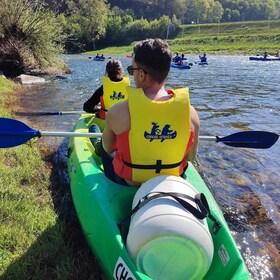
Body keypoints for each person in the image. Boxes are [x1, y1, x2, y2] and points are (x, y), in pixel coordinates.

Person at [98, 38, 200, 187]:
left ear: (141, 75)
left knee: (102, 149)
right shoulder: (191, 114)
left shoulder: (117, 111)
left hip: (130, 183)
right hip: (171, 181)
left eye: (132, 70)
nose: (132, 74)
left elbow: (108, 148)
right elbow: (191, 157)